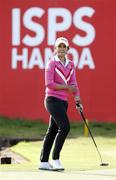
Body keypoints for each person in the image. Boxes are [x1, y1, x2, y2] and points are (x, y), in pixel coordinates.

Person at [39, 37, 83, 171]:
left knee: (52, 130)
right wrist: (66, 87)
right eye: (59, 46)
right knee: (65, 127)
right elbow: (49, 84)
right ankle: (56, 159)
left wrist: (77, 101)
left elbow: (74, 84)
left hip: (63, 102)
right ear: (55, 49)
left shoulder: (70, 64)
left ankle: (44, 162)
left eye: (64, 47)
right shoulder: (51, 63)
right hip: (52, 100)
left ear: (68, 49)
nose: (62, 49)